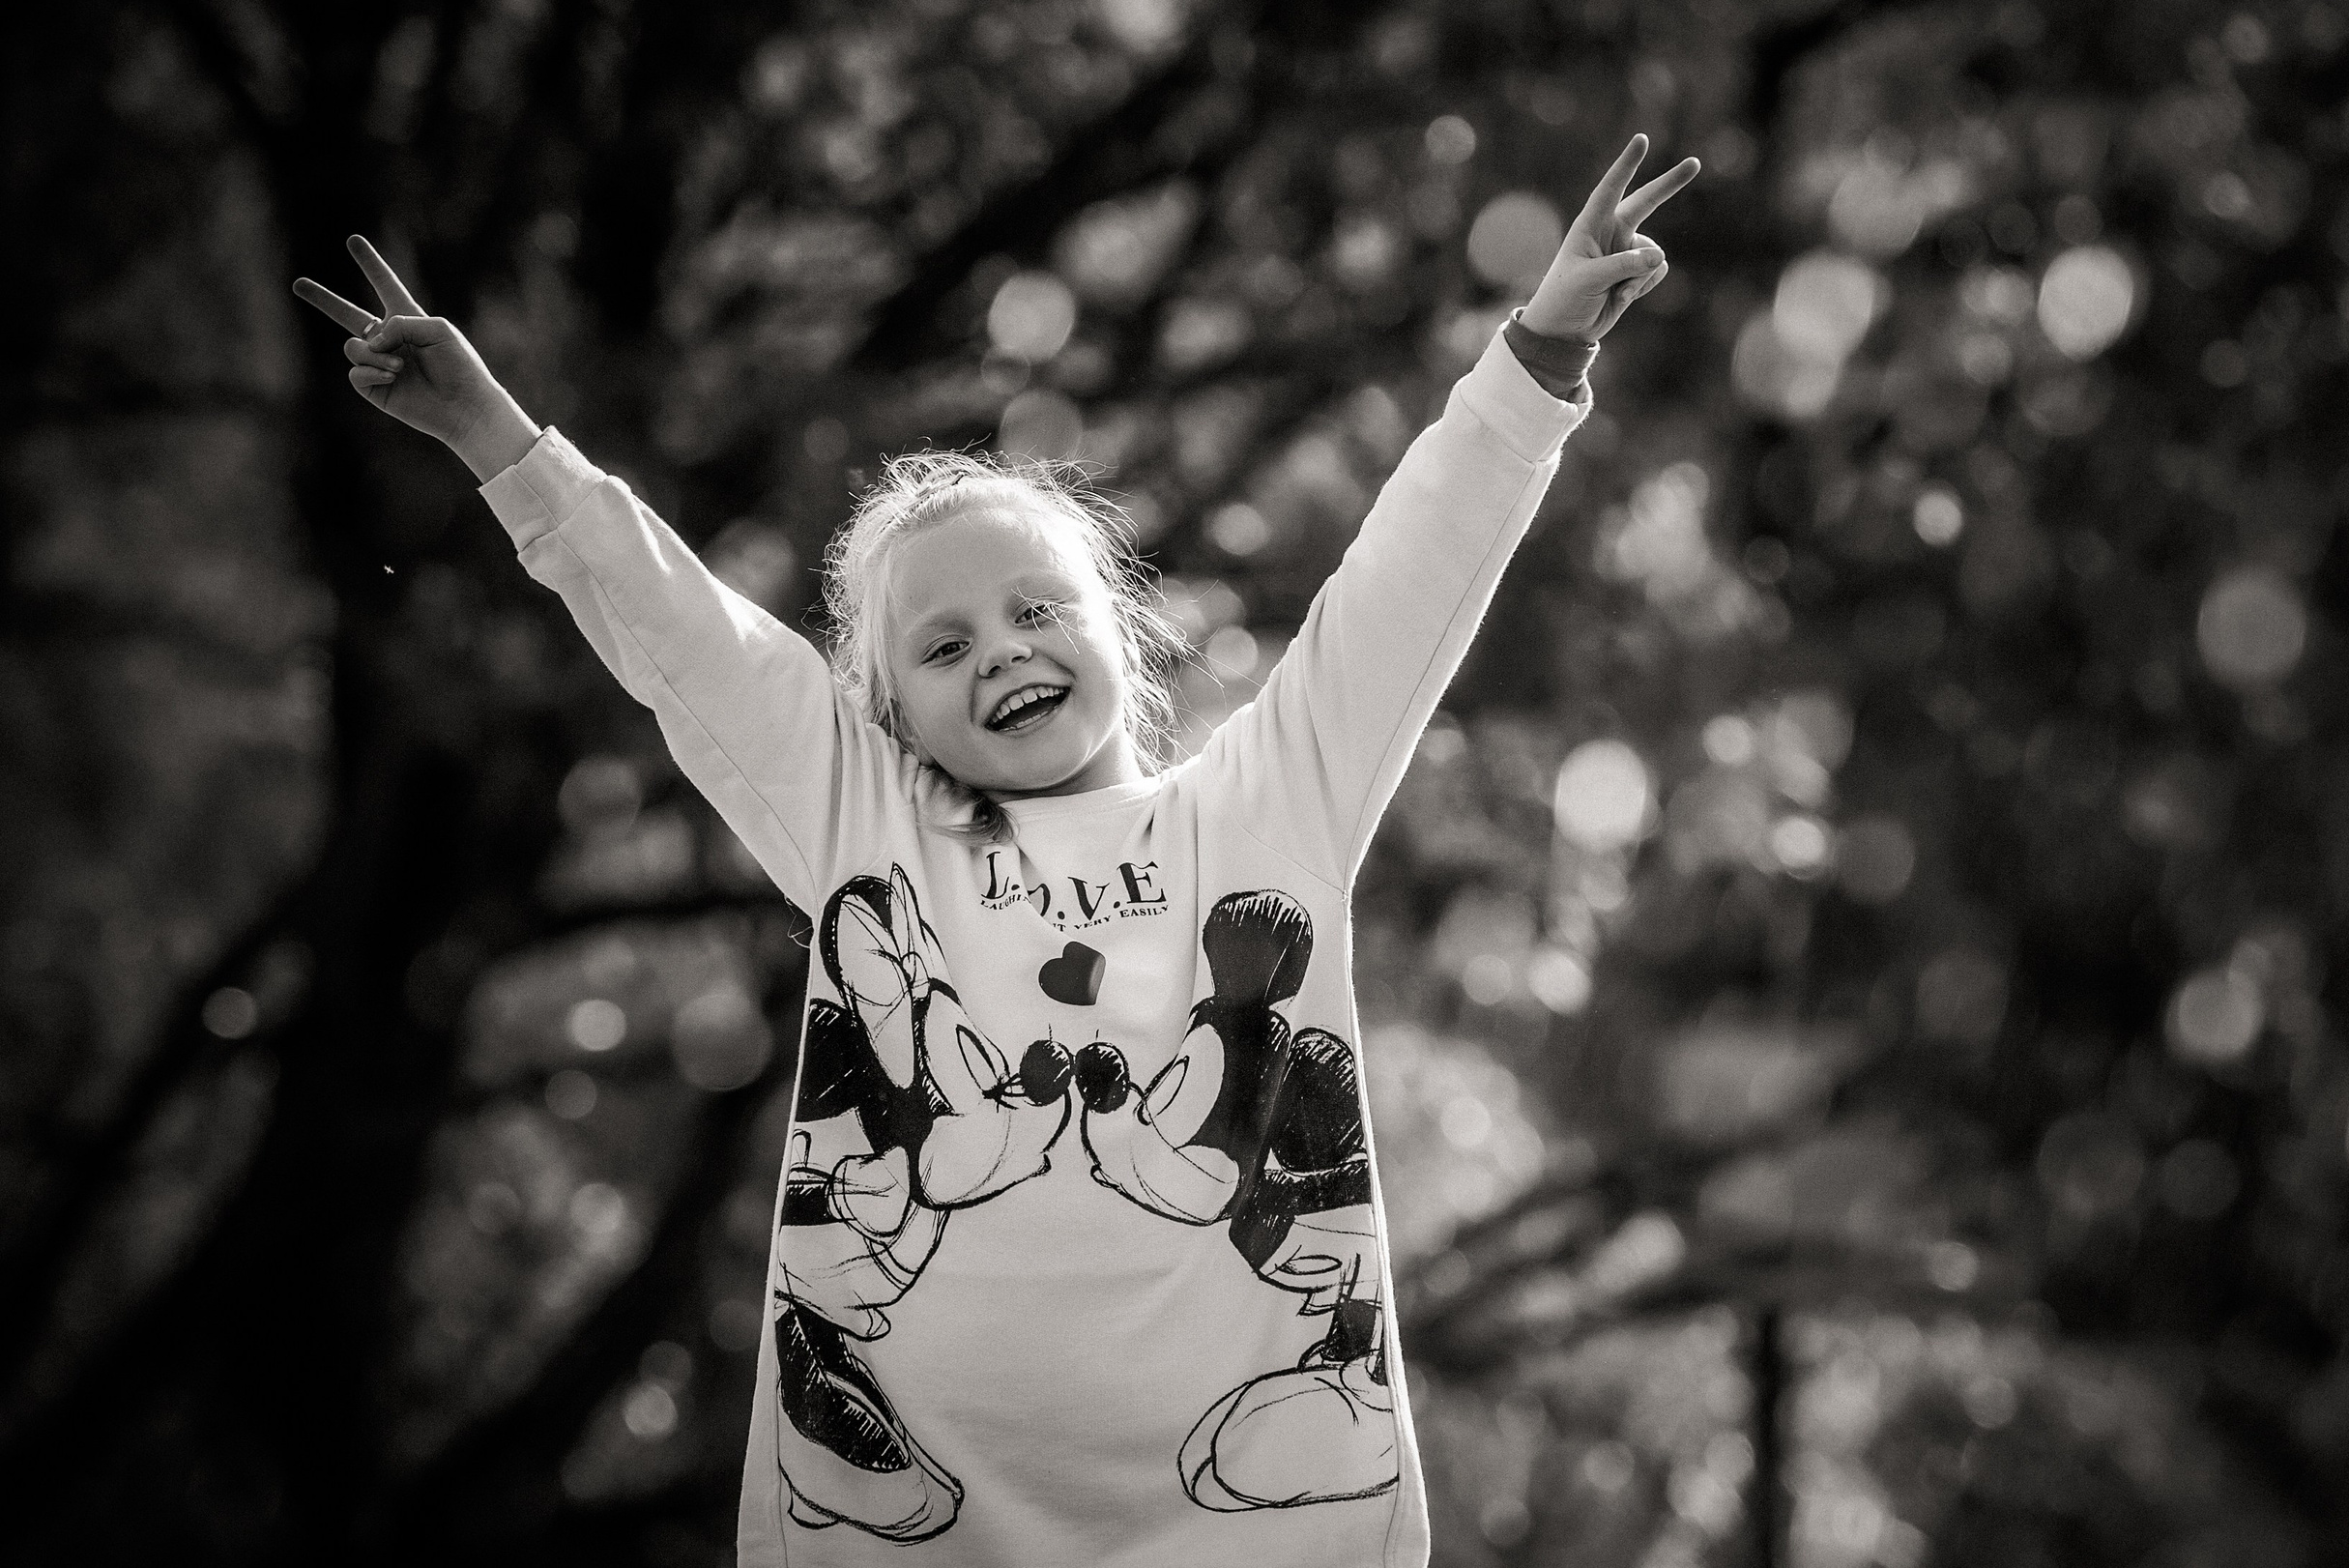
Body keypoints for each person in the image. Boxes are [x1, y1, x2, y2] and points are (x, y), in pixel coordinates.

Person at [297, 135, 1695, 1567]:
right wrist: (498, 443)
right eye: (945, 646)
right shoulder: (872, 837)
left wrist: (1536, 358)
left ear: (1119, 631)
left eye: (1037, 611)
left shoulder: (1262, 810)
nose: (1004, 654)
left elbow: (1411, 576)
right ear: (889, 718)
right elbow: (685, 638)